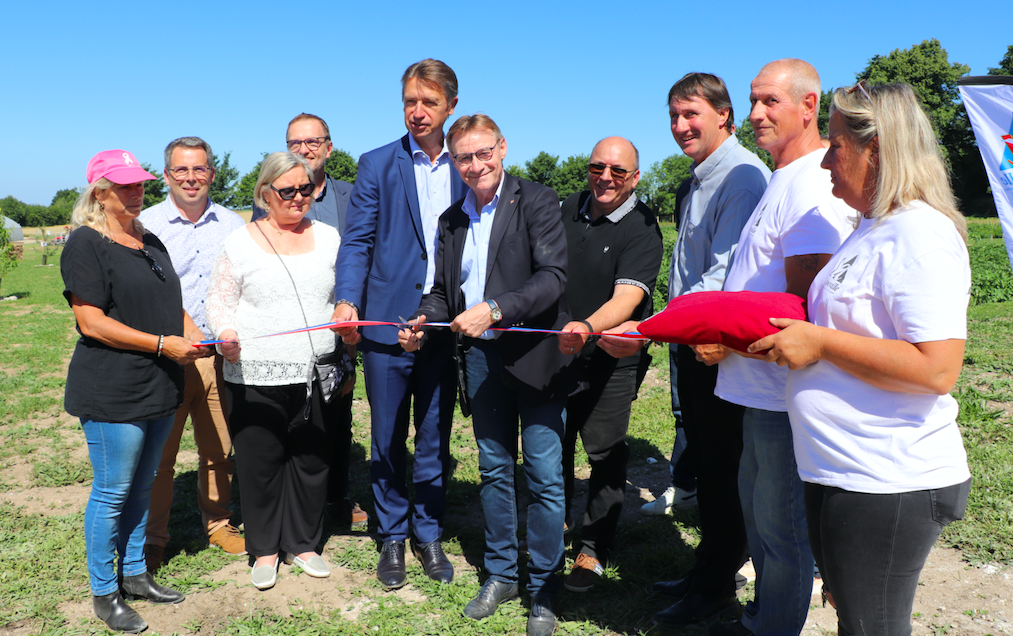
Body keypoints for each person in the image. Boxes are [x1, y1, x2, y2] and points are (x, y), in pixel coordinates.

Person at [748, 82, 972, 636]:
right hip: (844, 467)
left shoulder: (920, 234)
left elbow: (937, 369)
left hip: (888, 477)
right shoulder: (871, 228)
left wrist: (820, 344)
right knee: (856, 617)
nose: (825, 160)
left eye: (837, 146)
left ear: (879, 148)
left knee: (873, 625)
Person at [401, 114, 575, 636]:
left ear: (502, 148)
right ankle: (501, 574)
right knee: (495, 469)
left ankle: (544, 586)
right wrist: (423, 321)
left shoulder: (538, 201)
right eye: (463, 157)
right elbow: (442, 292)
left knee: (544, 477)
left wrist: (495, 308)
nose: (475, 165)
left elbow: (552, 279)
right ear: (453, 161)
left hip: (535, 355)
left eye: (483, 153)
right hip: (478, 359)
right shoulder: (451, 219)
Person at [705, 59, 855, 636]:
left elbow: (806, 308)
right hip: (759, 391)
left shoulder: (815, 180)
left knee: (783, 533)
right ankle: (765, 617)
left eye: (770, 101)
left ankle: (774, 626)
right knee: (762, 524)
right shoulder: (783, 178)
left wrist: (727, 340)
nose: (756, 113)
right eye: (752, 100)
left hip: (783, 396)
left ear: (809, 105)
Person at [332, 59, 466, 589]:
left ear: (451, 106)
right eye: (410, 101)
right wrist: (347, 301)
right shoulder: (376, 164)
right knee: (386, 437)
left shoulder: (469, 163)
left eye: (429, 102)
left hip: (444, 325)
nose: (417, 112)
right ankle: (391, 535)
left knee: (433, 437)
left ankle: (428, 532)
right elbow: (358, 240)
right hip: (386, 329)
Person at [650, 72, 772, 628]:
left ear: (723, 115)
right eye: (674, 115)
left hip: (715, 347)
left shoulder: (741, 178)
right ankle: (708, 572)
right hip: (691, 342)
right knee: (707, 461)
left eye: (691, 114)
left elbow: (723, 276)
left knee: (723, 472)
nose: (680, 126)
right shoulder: (698, 178)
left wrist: (654, 325)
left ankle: (718, 584)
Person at [62, 150, 199, 632]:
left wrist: (198, 336)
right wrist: (163, 344)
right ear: (100, 191)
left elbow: (172, 305)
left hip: (160, 383)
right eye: (125, 185)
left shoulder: (148, 238)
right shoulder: (86, 243)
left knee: (143, 486)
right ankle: (105, 592)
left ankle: (136, 574)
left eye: (140, 182)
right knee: (113, 492)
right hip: (113, 389)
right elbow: (91, 321)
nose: (137, 190)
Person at [207, 151, 347, 590]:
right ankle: (265, 549)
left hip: (315, 372)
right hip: (254, 374)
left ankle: (303, 544)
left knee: (311, 460)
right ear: (265, 193)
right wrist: (225, 331)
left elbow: (343, 294)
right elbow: (219, 299)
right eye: (287, 191)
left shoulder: (330, 237)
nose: (298, 198)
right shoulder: (240, 241)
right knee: (259, 463)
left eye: (306, 189)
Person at [555, 136, 663, 592]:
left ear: (634, 178)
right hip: (555, 351)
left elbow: (630, 296)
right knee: (550, 445)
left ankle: (593, 548)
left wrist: (587, 327)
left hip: (608, 357)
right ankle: (552, 529)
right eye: (597, 167)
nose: (605, 178)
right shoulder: (565, 208)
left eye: (618, 172)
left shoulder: (642, 226)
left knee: (604, 452)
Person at [252, 113, 364, 530]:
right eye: (294, 143)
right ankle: (291, 501)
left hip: (343, 328)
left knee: (338, 413)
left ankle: (336, 497)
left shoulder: (353, 196)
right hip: (292, 330)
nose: (304, 149)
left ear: (329, 148)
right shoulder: (268, 198)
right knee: (295, 415)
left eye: (312, 142)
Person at [140, 137, 247, 572]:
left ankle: (219, 524)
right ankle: (151, 538)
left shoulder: (233, 224)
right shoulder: (145, 224)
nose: (190, 178)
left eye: (199, 169)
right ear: (167, 175)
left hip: (218, 356)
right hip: (166, 357)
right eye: (181, 170)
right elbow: (143, 290)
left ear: (212, 174)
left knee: (218, 446)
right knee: (157, 458)